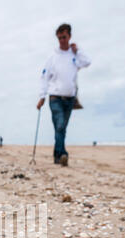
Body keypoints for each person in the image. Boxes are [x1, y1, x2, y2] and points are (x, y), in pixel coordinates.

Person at [37, 24, 91, 166]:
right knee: (60, 126)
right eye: (59, 38)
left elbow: (87, 62)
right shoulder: (52, 58)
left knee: (61, 129)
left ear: (69, 37)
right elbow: (44, 77)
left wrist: (78, 50)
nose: (62, 40)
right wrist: (42, 96)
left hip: (70, 99)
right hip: (55, 97)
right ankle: (63, 154)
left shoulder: (74, 55)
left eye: (64, 37)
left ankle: (57, 155)